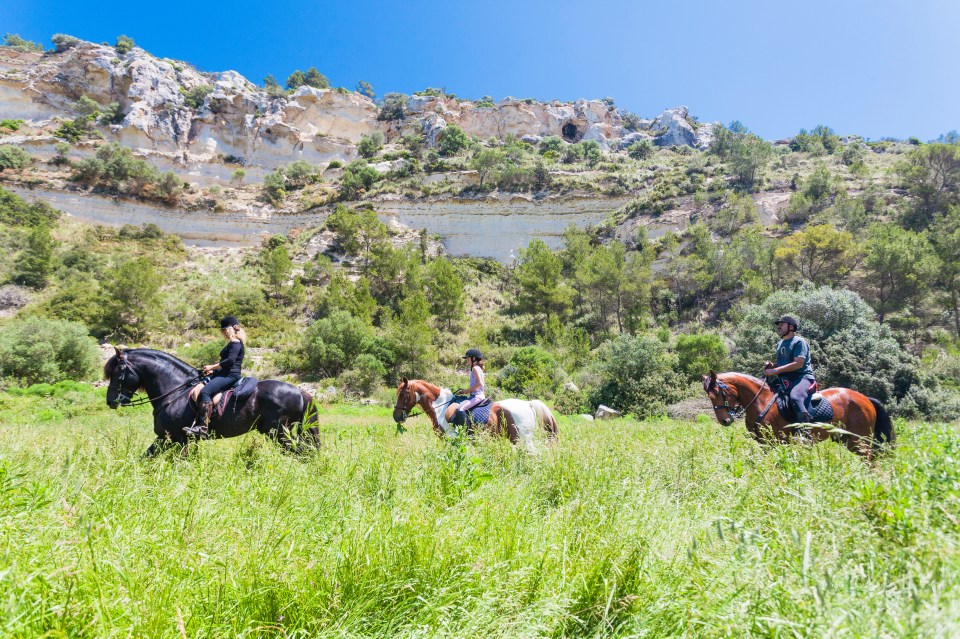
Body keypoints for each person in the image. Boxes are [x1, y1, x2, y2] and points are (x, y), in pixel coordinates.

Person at [184, 316, 246, 439]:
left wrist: (212, 367)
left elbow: (229, 361)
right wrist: (212, 371)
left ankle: (202, 427)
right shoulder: (234, 343)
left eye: (223, 331)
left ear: (227, 330)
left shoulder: (235, 343)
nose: (222, 333)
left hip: (230, 375)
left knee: (205, 391)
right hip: (224, 373)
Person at [763, 314, 816, 423]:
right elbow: (784, 363)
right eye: (778, 325)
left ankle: (804, 430)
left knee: (795, 397)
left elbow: (798, 364)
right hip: (785, 379)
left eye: (782, 325)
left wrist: (774, 371)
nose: (779, 327)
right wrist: (773, 365)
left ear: (791, 327)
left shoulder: (799, 342)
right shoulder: (780, 344)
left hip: (802, 378)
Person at [454, 348, 486, 420]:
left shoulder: (475, 368)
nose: (466, 360)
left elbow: (479, 383)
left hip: (477, 396)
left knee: (460, 408)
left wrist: (467, 391)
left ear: (474, 358)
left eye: (468, 358)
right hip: (475, 395)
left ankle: (463, 430)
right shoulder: (477, 368)